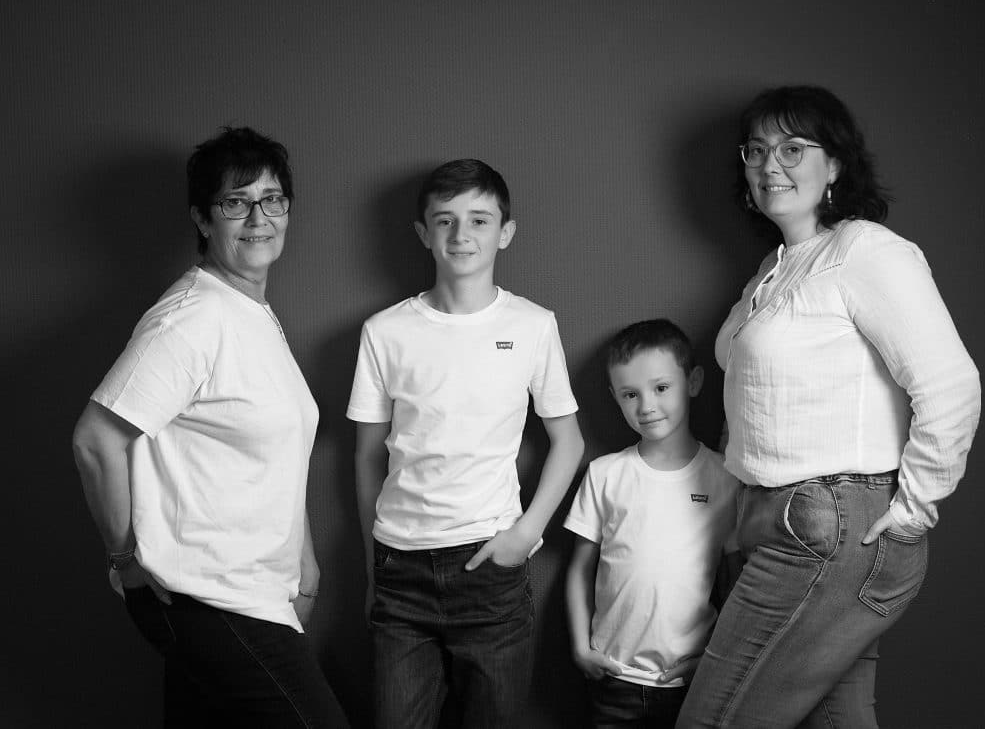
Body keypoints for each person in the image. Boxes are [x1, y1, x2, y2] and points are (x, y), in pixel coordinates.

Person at [675, 86, 982, 728]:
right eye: (756, 151)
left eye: (792, 148)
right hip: (772, 522)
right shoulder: (774, 268)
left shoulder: (866, 250)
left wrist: (915, 508)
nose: (769, 166)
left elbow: (950, 384)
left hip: (834, 527)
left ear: (834, 164)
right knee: (836, 720)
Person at [71, 127, 346, 727]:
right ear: (202, 218)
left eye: (271, 199)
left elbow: (272, 452)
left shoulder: (252, 313)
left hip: (254, 594)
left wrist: (303, 557)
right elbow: (96, 440)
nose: (257, 218)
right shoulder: (190, 319)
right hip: (204, 598)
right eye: (234, 202)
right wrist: (125, 561)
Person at [348, 158, 585, 729]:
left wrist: (526, 534)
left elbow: (569, 441)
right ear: (423, 233)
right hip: (399, 569)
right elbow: (365, 457)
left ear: (505, 232)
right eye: (446, 220)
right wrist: (371, 568)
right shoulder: (385, 331)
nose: (462, 235)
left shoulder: (532, 325)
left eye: (479, 220)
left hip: (491, 570)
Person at [565, 319, 741, 729]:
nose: (646, 405)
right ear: (615, 397)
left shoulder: (725, 477)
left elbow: (735, 581)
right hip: (613, 677)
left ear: (692, 381)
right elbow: (578, 570)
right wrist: (579, 647)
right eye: (630, 394)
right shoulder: (604, 474)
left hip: (690, 680)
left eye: (661, 388)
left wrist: (713, 658)